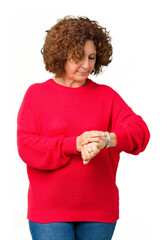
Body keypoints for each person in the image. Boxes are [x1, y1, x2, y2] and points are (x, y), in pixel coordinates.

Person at [17, 16, 150, 240]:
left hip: (99, 211)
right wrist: (75, 144)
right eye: (78, 57)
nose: (87, 65)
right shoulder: (36, 94)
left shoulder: (106, 96)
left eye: (91, 57)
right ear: (60, 55)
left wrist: (107, 139)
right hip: (49, 211)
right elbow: (27, 146)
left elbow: (140, 131)